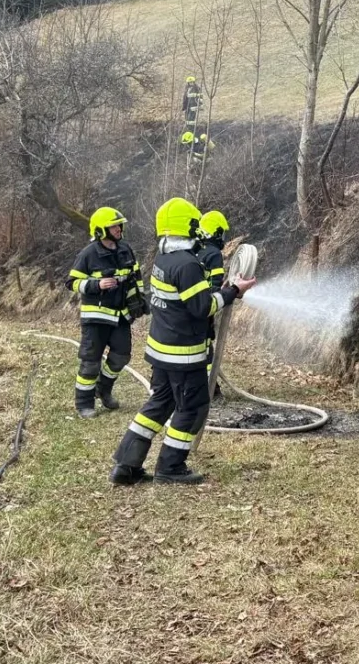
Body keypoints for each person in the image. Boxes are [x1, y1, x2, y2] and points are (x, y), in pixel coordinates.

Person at [109, 198, 254, 486]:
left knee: (160, 403)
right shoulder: (188, 265)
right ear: (188, 227)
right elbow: (202, 308)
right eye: (195, 225)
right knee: (193, 406)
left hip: (161, 350)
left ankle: (126, 465)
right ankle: (171, 466)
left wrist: (224, 291)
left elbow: (187, 299)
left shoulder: (164, 260)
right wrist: (233, 291)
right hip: (184, 355)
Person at [67, 207, 147, 419]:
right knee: (91, 361)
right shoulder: (89, 254)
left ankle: (103, 389)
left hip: (120, 316)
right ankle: (84, 403)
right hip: (96, 318)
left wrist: (139, 300)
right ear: (102, 230)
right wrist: (96, 284)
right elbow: (72, 282)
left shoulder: (126, 249)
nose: (119, 229)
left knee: (122, 356)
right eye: (114, 226)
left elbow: (135, 276)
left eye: (119, 225)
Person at [197, 210, 229, 400]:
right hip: (205, 309)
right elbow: (215, 284)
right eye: (221, 233)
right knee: (206, 350)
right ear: (214, 232)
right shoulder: (214, 254)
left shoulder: (195, 249)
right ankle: (211, 390)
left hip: (190, 307)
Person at [181, 76, 202, 142]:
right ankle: (188, 131)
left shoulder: (197, 88)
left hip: (194, 107)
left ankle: (192, 132)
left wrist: (199, 106)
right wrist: (184, 107)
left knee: (191, 121)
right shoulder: (187, 89)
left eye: (192, 82)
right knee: (187, 120)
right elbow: (185, 98)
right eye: (189, 82)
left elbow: (200, 98)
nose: (191, 83)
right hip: (188, 107)